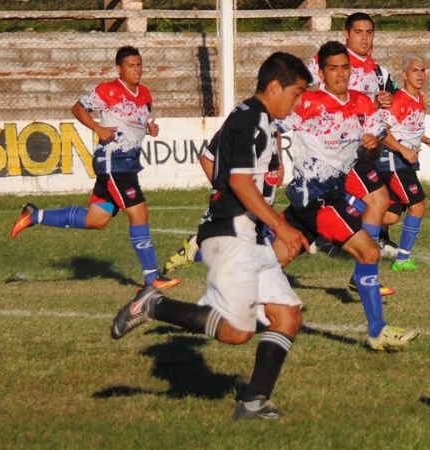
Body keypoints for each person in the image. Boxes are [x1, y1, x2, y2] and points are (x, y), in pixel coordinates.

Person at [110, 52, 311, 420]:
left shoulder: (247, 115)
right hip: (232, 233)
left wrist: (240, 208)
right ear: (275, 86)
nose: (296, 102)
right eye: (296, 94)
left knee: (287, 316)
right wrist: (280, 225)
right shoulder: (254, 120)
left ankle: (253, 402)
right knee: (236, 331)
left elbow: (209, 158)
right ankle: (153, 305)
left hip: (246, 233)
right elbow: (238, 181)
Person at [278, 41, 416, 351]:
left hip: (323, 196)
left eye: (344, 67)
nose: (340, 74)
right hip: (317, 198)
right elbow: (271, 122)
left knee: (275, 258)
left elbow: (374, 150)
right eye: (333, 68)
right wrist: (272, 161)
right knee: (369, 252)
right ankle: (378, 331)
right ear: (322, 72)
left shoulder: (363, 104)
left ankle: (209, 258)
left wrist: (372, 147)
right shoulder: (307, 104)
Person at [9, 46, 179, 290]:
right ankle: (152, 278)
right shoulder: (107, 90)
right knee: (138, 212)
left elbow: (135, 124)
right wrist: (98, 129)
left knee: (96, 219)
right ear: (119, 69)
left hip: (129, 164)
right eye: (131, 65)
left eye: (139, 65)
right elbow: (78, 107)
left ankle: (34, 215)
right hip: (113, 162)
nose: (137, 70)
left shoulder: (145, 95)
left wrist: (150, 130)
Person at [306, 12, 401, 256]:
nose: (364, 38)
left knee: (388, 212)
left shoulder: (373, 71)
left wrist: (381, 102)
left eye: (369, 33)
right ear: (347, 34)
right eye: (358, 32)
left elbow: (364, 107)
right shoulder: (333, 59)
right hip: (335, 150)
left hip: (361, 150)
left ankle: (330, 230)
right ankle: (363, 257)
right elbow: (301, 84)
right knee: (379, 203)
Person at [377, 55, 430, 272]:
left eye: (423, 70)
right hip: (394, 161)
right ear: (404, 75)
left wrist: (426, 139)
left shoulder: (418, 98)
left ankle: (349, 214)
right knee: (418, 206)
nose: (420, 75)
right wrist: (404, 150)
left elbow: (406, 128)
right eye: (415, 70)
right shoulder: (400, 100)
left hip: (405, 162)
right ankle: (402, 260)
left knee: (391, 216)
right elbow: (381, 130)